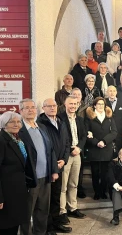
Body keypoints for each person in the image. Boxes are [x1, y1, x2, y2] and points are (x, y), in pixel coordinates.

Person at [18, 99, 59, 235]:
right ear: (21, 111)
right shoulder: (19, 130)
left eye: (33, 107)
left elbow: (50, 150)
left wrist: (54, 170)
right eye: (27, 108)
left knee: (42, 211)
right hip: (31, 179)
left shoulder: (41, 127)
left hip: (45, 177)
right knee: (26, 212)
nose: (31, 110)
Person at [0, 111, 29, 235]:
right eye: (12, 122)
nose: (16, 124)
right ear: (4, 124)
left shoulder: (17, 140)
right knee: (7, 229)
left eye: (18, 121)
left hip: (15, 194)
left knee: (13, 228)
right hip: (5, 196)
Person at [37, 99, 72, 234]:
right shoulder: (40, 124)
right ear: (43, 108)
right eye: (49, 106)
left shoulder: (60, 122)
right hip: (47, 167)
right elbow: (43, 147)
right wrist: (53, 163)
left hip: (60, 165)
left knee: (56, 196)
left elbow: (67, 142)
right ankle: (48, 227)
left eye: (54, 106)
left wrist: (64, 159)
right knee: (47, 199)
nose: (52, 108)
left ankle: (57, 222)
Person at [58, 96, 87, 223]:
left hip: (77, 154)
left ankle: (73, 208)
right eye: (70, 104)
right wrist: (70, 149)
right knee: (63, 185)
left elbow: (84, 136)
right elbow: (61, 138)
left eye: (75, 104)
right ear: (65, 104)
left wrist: (79, 148)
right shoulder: (60, 119)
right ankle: (62, 211)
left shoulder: (80, 119)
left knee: (74, 183)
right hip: (65, 155)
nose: (73, 106)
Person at [85, 97, 118, 200]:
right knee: (95, 173)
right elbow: (86, 133)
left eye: (102, 104)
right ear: (94, 105)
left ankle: (103, 191)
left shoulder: (109, 117)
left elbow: (114, 132)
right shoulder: (89, 118)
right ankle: (97, 192)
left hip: (106, 148)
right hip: (94, 149)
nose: (100, 106)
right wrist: (96, 142)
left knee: (104, 173)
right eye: (98, 104)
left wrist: (104, 141)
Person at [105, 86, 122, 156]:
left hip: (119, 132)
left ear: (116, 92)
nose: (112, 93)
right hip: (107, 132)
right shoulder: (104, 102)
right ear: (107, 92)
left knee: (118, 152)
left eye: (114, 91)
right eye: (110, 91)